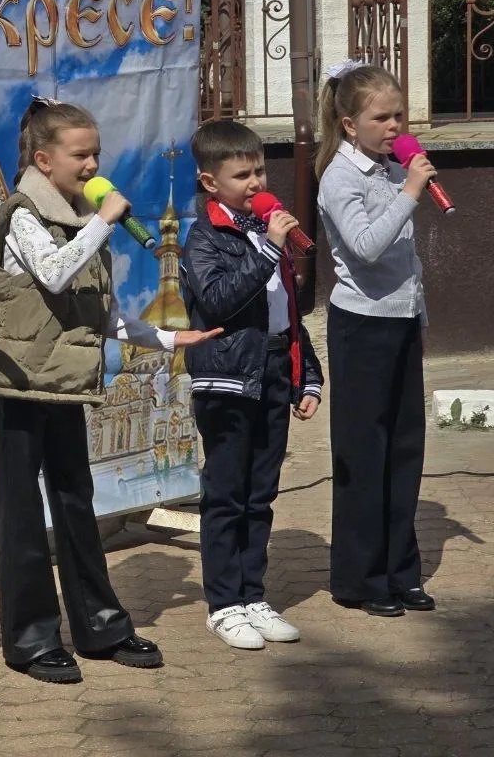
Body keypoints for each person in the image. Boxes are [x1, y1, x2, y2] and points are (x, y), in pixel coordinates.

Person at [0, 96, 220, 683]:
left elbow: (95, 312)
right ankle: (31, 639)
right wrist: (104, 221)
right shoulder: (25, 213)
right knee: (21, 512)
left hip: (65, 380)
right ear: (43, 158)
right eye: (80, 155)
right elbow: (54, 272)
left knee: (75, 500)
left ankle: (100, 624)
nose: (91, 165)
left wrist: (166, 339)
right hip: (20, 382)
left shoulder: (82, 216)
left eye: (96, 154)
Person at [180, 119, 324, 649]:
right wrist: (267, 249)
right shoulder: (204, 237)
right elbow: (217, 302)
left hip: (270, 372)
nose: (257, 183)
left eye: (260, 170)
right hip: (225, 379)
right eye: (243, 174)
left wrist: (305, 375)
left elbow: (286, 312)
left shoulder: (266, 233)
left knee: (261, 495)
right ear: (211, 182)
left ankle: (252, 593)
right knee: (227, 495)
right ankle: (224, 604)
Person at [315, 60, 436, 618]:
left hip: (401, 320)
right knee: (365, 453)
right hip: (361, 325)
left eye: (399, 116)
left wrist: (418, 316)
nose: (395, 127)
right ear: (348, 124)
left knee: (405, 449)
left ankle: (400, 571)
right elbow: (365, 246)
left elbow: (405, 259)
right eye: (381, 118)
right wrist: (411, 190)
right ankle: (360, 580)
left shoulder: (391, 170)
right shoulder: (338, 179)